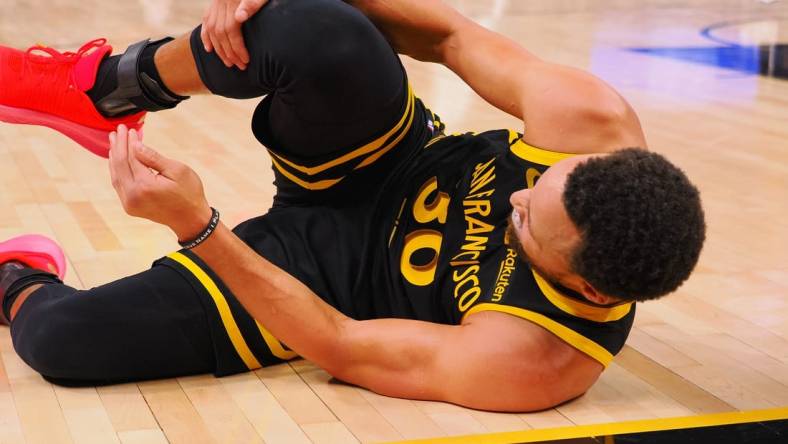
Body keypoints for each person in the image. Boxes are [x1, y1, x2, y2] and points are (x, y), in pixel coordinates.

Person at [0, 0, 706, 411]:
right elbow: (448, 36)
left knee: (64, 343)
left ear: (583, 284)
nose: (515, 194)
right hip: (385, 158)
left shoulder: (536, 359)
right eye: (533, 182)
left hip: (325, 285)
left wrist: (199, 225)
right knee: (314, 26)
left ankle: (18, 269)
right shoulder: (588, 122)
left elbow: (338, 342)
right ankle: (102, 88)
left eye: (525, 219)